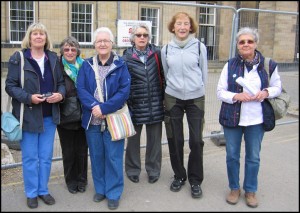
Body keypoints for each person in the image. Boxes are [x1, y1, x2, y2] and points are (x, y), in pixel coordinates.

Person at [217, 27, 282, 208]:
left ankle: (251, 190)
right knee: (232, 156)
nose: (246, 44)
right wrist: (236, 96)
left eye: (250, 41)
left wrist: (266, 92)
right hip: (233, 118)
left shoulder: (268, 65)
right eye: (242, 42)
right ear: (237, 45)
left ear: (256, 44)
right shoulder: (229, 65)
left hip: (256, 120)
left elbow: (277, 87)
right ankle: (234, 188)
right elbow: (220, 91)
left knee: (253, 157)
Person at [5, 22, 65, 209]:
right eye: (35, 34)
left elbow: (62, 83)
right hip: (28, 116)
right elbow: (10, 86)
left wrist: (60, 94)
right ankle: (31, 193)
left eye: (42, 34)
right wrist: (29, 98)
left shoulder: (53, 58)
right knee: (30, 158)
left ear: (46, 38)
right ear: (29, 38)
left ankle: (43, 190)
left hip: (49, 116)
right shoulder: (19, 58)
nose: (39, 37)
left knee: (46, 157)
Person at [76, 27, 131, 210]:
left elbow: (124, 91)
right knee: (97, 156)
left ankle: (114, 192)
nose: (102, 44)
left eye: (106, 41)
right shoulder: (87, 65)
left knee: (114, 158)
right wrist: (95, 107)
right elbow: (81, 89)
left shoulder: (120, 65)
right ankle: (100, 189)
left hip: (113, 119)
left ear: (112, 43)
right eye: (99, 41)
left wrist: (105, 107)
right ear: (94, 44)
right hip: (93, 120)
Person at [161, 12, 208, 199]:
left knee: (196, 141)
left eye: (186, 23)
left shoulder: (199, 47)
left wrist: (198, 90)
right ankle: (179, 175)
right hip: (173, 97)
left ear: (191, 27)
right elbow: (166, 73)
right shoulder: (165, 49)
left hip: (196, 98)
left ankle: (195, 180)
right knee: (175, 139)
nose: (182, 27)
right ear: (173, 27)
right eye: (178, 23)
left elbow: (203, 73)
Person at [123, 23, 165, 184]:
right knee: (133, 141)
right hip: (135, 105)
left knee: (154, 142)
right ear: (133, 38)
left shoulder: (157, 54)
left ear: (149, 38)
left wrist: (164, 100)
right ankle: (133, 170)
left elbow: (164, 76)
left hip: (155, 104)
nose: (142, 38)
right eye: (139, 35)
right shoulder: (126, 57)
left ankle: (153, 169)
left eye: (145, 35)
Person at [56, 36, 88, 194]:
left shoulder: (85, 66)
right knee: (68, 152)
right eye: (66, 49)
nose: (69, 52)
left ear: (78, 52)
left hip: (83, 114)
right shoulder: (57, 67)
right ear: (62, 52)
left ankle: (82, 180)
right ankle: (71, 181)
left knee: (82, 151)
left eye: (73, 49)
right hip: (65, 115)